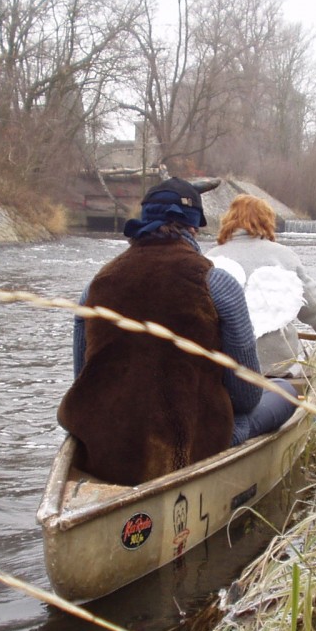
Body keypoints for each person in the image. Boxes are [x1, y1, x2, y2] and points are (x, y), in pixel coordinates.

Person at [57, 177, 298, 487]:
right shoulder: (217, 284)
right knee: (285, 391)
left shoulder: (94, 286)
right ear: (193, 227)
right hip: (189, 449)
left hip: (106, 453)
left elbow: (84, 380)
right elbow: (247, 398)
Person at [206, 194, 316, 377]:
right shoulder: (284, 257)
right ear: (267, 221)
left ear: (228, 221)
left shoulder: (209, 258)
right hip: (279, 369)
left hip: (226, 369)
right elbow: (315, 310)